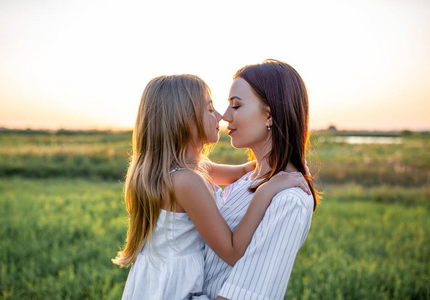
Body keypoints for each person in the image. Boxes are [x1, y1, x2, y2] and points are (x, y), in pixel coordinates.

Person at [112, 74, 311, 300]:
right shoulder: (186, 182)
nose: (221, 116)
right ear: (183, 120)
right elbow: (233, 251)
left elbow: (244, 170)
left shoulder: (190, 169)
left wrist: (282, 164)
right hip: (170, 290)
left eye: (233, 106)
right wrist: (266, 190)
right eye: (209, 109)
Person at [203, 59, 320, 300]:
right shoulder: (247, 177)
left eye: (235, 105)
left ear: (269, 115)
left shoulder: (289, 200)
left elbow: (244, 295)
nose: (224, 116)